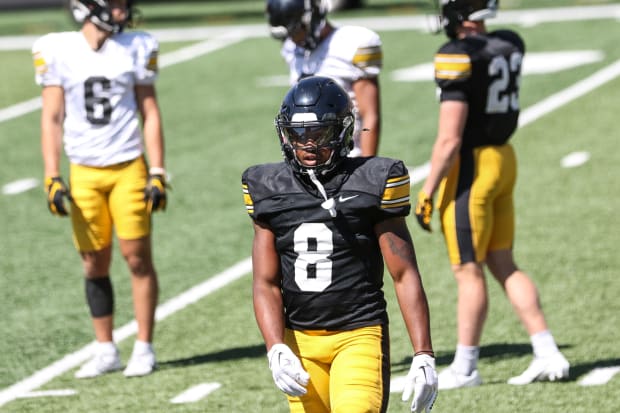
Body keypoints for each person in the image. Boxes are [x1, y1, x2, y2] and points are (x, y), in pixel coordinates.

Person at [242, 76, 437, 413]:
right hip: (299, 341)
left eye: (320, 134)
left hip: (358, 334)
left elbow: (404, 274)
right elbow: (265, 281)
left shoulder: (374, 180)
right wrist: (275, 347)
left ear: (343, 131)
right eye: (298, 134)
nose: (308, 145)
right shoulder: (267, 187)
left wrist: (423, 353)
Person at [414, 0, 570, 389]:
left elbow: (449, 139)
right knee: (503, 263)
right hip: (504, 160)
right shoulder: (508, 43)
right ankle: (548, 352)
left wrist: (428, 190)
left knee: (468, 271)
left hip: (471, 169)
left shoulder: (456, 56)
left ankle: (465, 367)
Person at [32, 0, 167, 378]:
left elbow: (150, 111)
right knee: (93, 262)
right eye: (116, 3)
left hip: (128, 166)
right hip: (84, 170)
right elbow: (52, 117)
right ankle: (105, 347)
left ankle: (144, 345)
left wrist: (157, 170)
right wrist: (51, 175)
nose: (124, 9)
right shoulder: (58, 50)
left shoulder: (137, 46)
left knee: (136, 257)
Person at [266, 0, 382, 157]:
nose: (292, 39)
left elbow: (369, 114)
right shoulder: (290, 50)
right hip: (309, 154)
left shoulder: (351, 43)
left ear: (312, 16)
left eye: (295, 30)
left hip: (348, 156)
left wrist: (367, 168)